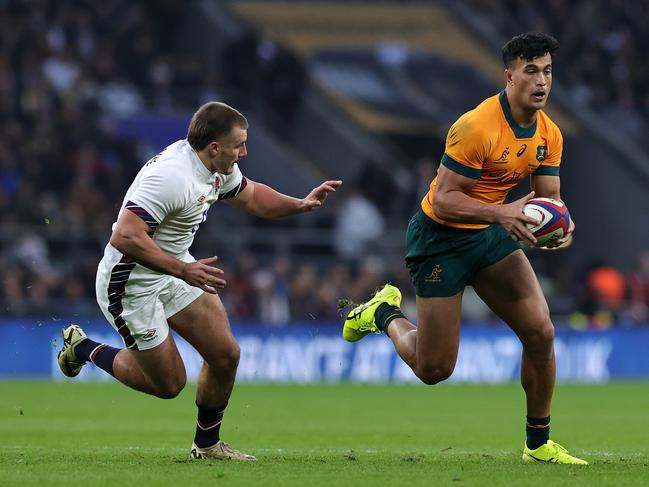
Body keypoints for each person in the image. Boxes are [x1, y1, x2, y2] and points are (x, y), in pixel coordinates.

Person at [341, 33, 588, 465]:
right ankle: (382, 312)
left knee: (541, 332)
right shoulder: (476, 126)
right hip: (440, 238)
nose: (542, 81)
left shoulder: (550, 134)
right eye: (531, 71)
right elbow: (443, 199)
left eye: (547, 71)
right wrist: (503, 215)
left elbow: (550, 201)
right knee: (434, 369)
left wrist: (560, 228)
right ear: (509, 76)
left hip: (491, 231)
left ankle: (538, 444)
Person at [57, 101, 342, 461]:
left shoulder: (214, 168)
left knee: (225, 355)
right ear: (214, 148)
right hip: (130, 284)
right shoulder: (173, 177)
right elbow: (125, 237)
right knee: (169, 384)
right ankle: (82, 348)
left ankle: (207, 445)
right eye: (239, 144)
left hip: (175, 268)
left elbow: (252, 197)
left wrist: (299, 204)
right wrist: (182, 270)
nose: (245, 151)